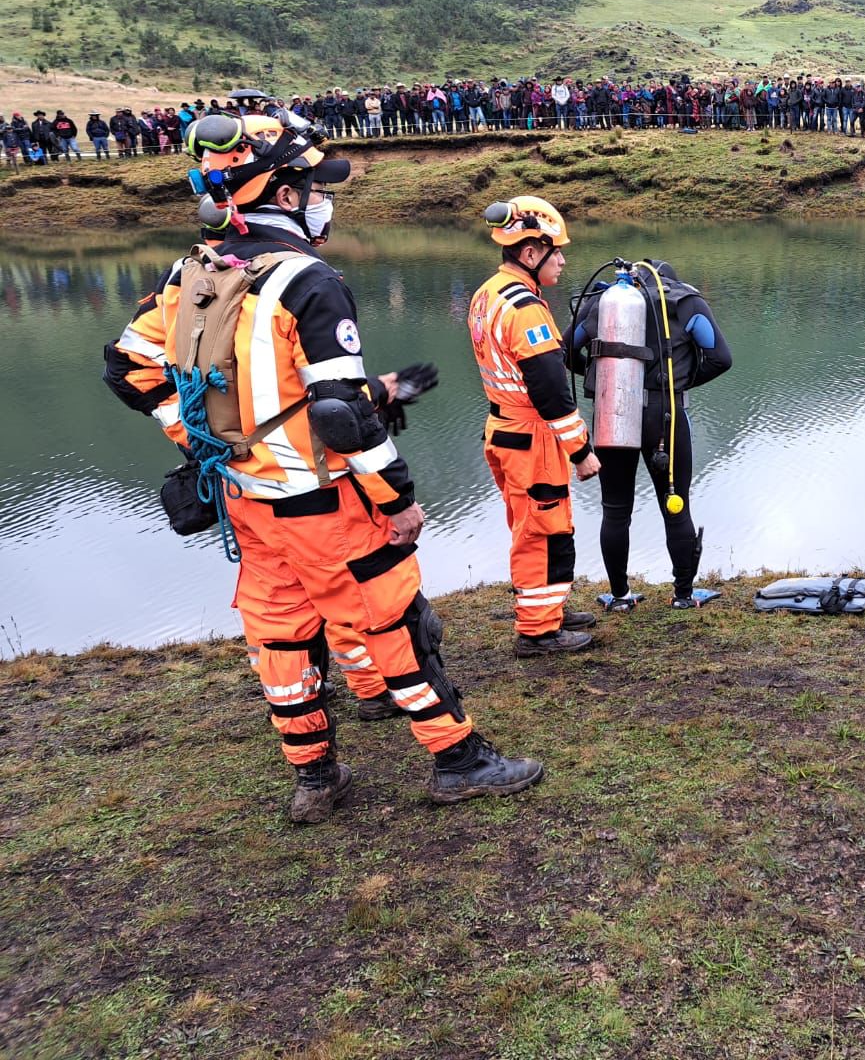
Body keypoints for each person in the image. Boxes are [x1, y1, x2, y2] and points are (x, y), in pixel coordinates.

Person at [104, 111, 542, 822]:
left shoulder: (193, 269)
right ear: (280, 190)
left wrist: (199, 441)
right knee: (397, 627)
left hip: (246, 501)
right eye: (310, 184)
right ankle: (457, 761)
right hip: (325, 504)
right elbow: (337, 414)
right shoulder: (308, 280)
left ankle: (316, 778)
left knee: (280, 639)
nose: (320, 197)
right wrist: (396, 498)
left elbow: (129, 369)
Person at [469, 196, 601, 655]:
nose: (563, 260)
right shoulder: (525, 308)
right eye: (556, 251)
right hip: (531, 436)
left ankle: (551, 606)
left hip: (503, 429)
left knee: (532, 525)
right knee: (543, 531)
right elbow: (549, 390)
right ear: (530, 253)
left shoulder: (487, 294)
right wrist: (580, 451)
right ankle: (539, 630)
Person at [567, 260, 733, 611]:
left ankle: (620, 596)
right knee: (676, 505)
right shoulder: (687, 302)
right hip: (665, 415)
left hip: (613, 411)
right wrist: (679, 383)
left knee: (615, 510)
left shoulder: (603, 301)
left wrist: (598, 377)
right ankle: (684, 596)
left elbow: (566, 350)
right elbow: (721, 358)